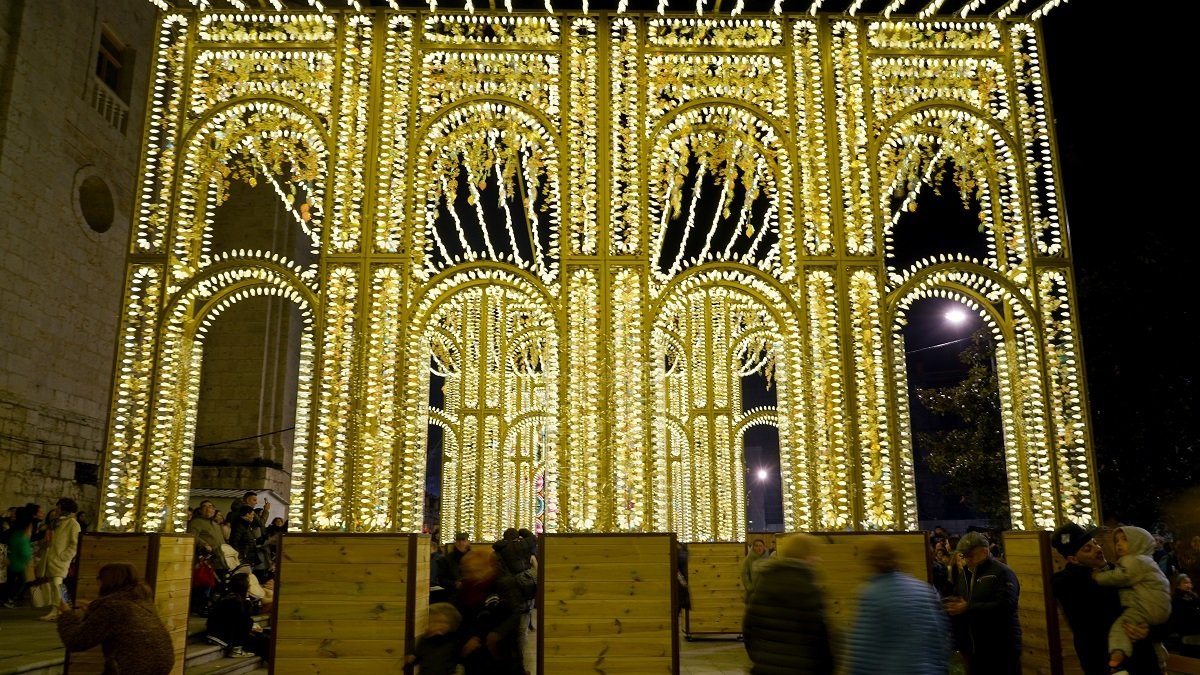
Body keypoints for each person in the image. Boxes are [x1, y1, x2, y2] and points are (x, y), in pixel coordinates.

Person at [1051, 522, 1161, 675]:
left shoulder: (1120, 572)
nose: (1097, 549)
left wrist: (1147, 629)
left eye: (1095, 543)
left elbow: (1154, 604)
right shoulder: (1066, 582)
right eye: (1088, 548)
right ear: (1074, 559)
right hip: (1105, 660)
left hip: (1142, 658)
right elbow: (1092, 620)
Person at [846, 539, 949, 674]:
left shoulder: (872, 595)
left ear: (870, 562)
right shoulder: (922, 589)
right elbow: (938, 636)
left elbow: (864, 650)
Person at [57, 562, 175, 675]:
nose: (97, 583)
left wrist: (66, 613)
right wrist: (93, 610)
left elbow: (75, 641)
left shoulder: (112, 608)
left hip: (133, 667)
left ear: (107, 581)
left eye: (99, 578)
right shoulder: (142, 601)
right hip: (161, 663)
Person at [742, 534, 834, 674]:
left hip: (765, 668)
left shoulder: (763, 583)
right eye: (814, 554)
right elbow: (820, 639)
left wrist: (759, 657)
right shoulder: (808, 588)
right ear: (806, 556)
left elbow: (748, 628)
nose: (818, 558)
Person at [1093, 526, 1172, 673]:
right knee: (1155, 643)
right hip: (1158, 610)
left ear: (1138, 543)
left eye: (1125, 540)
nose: (1118, 544)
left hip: (1146, 608)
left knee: (1120, 626)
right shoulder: (1147, 561)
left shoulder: (1133, 561)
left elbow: (1122, 577)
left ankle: (1117, 656)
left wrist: (1099, 577)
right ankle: (1161, 662)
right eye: (1116, 541)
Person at [944, 531, 1021, 675]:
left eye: (970, 556)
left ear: (984, 552)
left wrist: (968, 607)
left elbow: (1006, 606)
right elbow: (959, 602)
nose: (966, 560)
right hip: (973, 649)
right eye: (963, 556)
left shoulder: (1002, 573)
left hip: (1001, 648)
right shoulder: (964, 576)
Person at [454, 549, 524, 675]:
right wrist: (465, 641)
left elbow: (515, 614)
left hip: (502, 651)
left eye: (477, 570)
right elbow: (460, 619)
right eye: (469, 572)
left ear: (489, 567)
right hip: (476, 654)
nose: (473, 575)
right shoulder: (465, 590)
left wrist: (497, 633)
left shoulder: (504, 584)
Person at [37, 498, 81, 621]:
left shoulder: (72, 524)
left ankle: (59, 611)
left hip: (59, 560)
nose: (56, 509)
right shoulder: (56, 522)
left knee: (57, 585)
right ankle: (61, 610)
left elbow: (75, 544)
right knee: (55, 586)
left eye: (59, 506)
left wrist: (63, 557)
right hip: (51, 558)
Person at [206, 572, 266, 659]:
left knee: (262, 639)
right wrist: (247, 600)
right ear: (244, 586)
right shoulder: (233, 600)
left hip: (225, 632)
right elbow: (243, 619)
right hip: (219, 635)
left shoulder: (233, 597)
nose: (250, 586)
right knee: (250, 626)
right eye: (249, 584)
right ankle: (236, 649)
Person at [406, 601, 462, 675]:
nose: (438, 625)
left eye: (443, 622)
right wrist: (410, 659)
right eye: (434, 622)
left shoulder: (453, 640)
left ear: (451, 624)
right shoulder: (424, 640)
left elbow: (459, 658)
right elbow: (418, 657)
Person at [1, 507, 33, 608]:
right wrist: (29, 559)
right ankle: (10, 599)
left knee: (10, 582)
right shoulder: (22, 536)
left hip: (11, 561)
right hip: (18, 564)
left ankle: (6, 599)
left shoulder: (15, 534)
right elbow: (25, 552)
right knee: (20, 582)